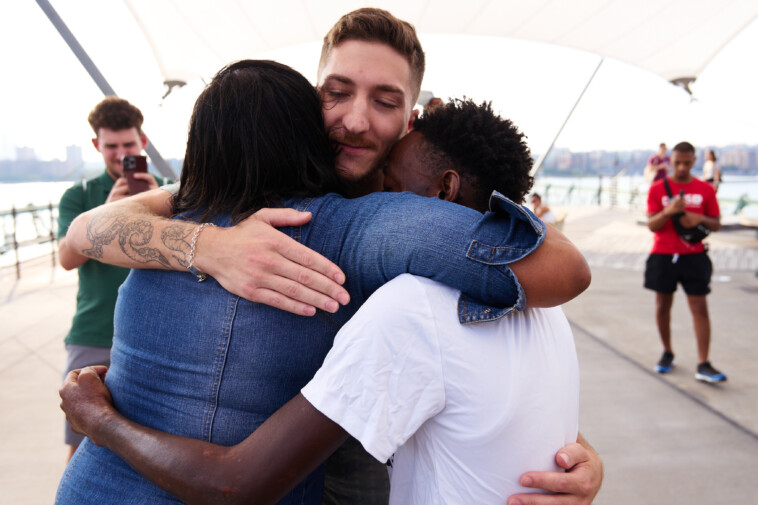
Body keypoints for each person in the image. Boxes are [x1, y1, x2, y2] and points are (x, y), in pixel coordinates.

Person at [60, 8, 600, 503]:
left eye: (384, 101)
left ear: (410, 118)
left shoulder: (398, 215)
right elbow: (84, 233)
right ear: (310, 99)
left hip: (360, 460)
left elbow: (506, 329)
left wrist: (571, 452)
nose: (355, 120)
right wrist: (210, 245)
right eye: (336, 93)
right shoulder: (241, 197)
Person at [56, 96, 166, 461]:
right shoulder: (81, 196)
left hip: (156, 333)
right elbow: (67, 259)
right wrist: (106, 213)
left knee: (155, 446)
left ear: (143, 142)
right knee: (82, 443)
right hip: (94, 331)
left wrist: (155, 201)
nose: (121, 155)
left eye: (129, 145)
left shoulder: (169, 190)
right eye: (112, 147)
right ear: (96, 146)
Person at [645, 141, 725, 383]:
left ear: (694, 161)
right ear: (671, 161)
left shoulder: (705, 189)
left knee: (700, 308)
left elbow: (716, 223)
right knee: (662, 306)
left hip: (695, 256)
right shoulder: (658, 189)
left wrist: (697, 216)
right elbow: (651, 224)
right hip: (663, 254)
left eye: (686, 163)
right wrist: (668, 212)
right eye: (677, 162)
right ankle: (667, 352)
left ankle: (703, 362)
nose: (681, 167)